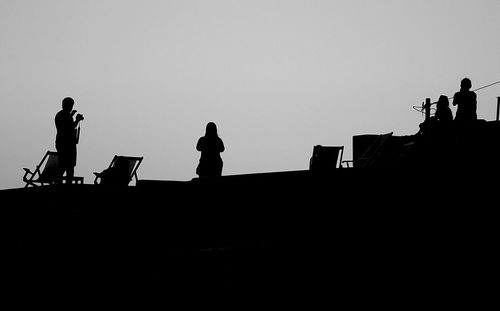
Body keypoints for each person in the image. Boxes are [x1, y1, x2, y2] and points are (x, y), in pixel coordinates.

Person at [55, 97, 84, 182]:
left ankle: (59, 183)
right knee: (69, 167)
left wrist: (72, 115)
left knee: (62, 165)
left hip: (61, 142)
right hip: (68, 145)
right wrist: (77, 120)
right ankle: (68, 185)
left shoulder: (60, 114)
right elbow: (70, 128)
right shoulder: (66, 115)